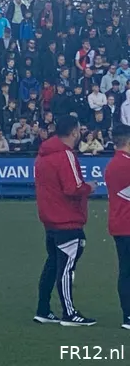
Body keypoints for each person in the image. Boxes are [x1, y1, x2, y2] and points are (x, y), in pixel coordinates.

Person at [33, 114, 96, 326]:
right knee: (66, 268)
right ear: (74, 132)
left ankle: (43, 309)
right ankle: (69, 313)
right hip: (67, 220)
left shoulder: (43, 155)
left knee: (52, 264)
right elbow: (73, 188)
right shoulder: (65, 155)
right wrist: (89, 187)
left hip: (50, 219)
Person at [106, 123, 130, 331]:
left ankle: (127, 314)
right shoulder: (125, 164)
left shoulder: (113, 164)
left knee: (125, 270)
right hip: (127, 223)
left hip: (119, 223)